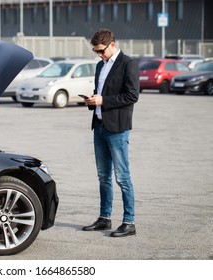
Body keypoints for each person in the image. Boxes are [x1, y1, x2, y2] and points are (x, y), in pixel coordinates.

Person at [82, 28, 139, 237]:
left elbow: (132, 95)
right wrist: (93, 100)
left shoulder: (128, 64)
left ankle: (129, 222)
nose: (99, 54)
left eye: (101, 51)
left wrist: (104, 100)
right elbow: (101, 94)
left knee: (122, 177)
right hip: (99, 126)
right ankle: (104, 218)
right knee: (103, 177)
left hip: (117, 129)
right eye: (96, 51)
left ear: (112, 44)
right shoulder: (100, 66)